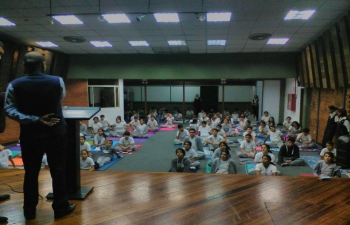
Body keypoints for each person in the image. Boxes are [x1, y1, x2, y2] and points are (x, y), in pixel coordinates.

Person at [4, 51, 75, 219]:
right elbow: (59, 99)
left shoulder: (14, 85)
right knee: (58, 171)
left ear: (24, 66)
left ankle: (29, 210)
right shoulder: (57, 81)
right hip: (56, 131)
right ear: (43, 65)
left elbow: (9, 109)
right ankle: (60, 207)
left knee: (31, 172)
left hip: (30, 134)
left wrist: (34, 119)